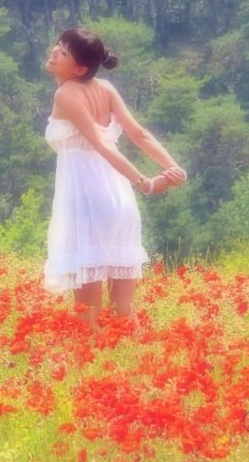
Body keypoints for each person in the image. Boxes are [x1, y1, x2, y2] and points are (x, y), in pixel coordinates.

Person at [42, 27, 187, 334]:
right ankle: (133, 367)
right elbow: (139, 134)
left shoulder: (66, 93)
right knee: (123, 307)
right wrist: (173, 167)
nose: (54, 51)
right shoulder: (105, 88)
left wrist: (146, 182)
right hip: (119, 200)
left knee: (87, 312)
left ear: (79, 68)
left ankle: (96, 372)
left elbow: (101, 143)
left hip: (87, 200)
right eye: (58, 45)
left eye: (63, 52)